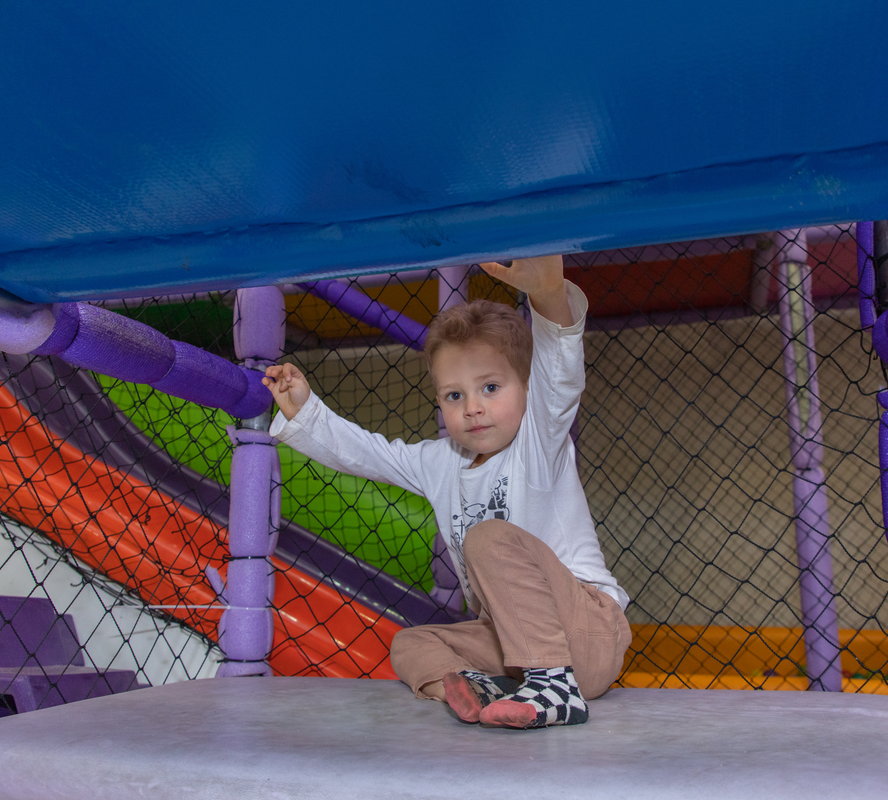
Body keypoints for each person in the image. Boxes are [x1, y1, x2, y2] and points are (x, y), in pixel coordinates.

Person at [263, 255, 631, 729]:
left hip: (587, 634)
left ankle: (555, 688)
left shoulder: (539, 443)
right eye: (455, 395)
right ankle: (477, 689)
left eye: (491, 387)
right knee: (412, 643)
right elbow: (368, 454)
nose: (473, 408)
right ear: (439, 401)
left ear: (527, 389)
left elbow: (560, 374)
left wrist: (547, 295)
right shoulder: (441, 462)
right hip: (514, 646)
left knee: (487, 536)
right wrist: (304, 410)